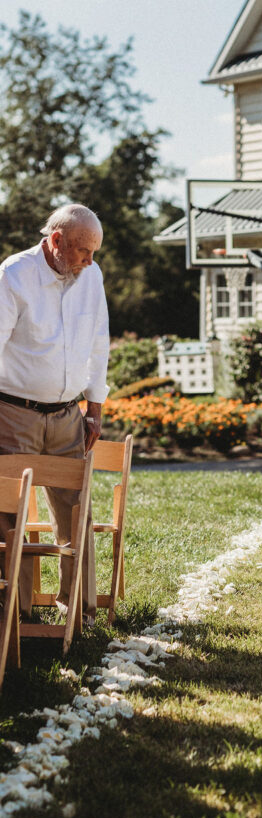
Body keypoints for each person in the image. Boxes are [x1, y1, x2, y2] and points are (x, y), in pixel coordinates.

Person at [0, 204, 109, 624]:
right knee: (9, 514)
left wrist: (95, 406)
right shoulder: (14, 274)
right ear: (56, 240)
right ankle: (17, 611)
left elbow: (99, 342)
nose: (89, 260)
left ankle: (78, 607)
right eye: (83, 250)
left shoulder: (91, 276)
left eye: (94, 252)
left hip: (68, 416)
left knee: (76, 507)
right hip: (14, 412)